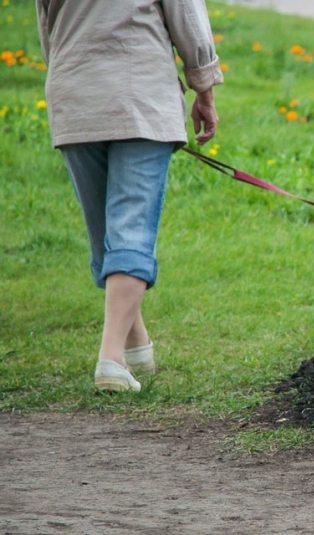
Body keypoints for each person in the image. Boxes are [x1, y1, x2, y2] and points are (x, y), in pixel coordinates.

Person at [36, 0, 223, 392]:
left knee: (107, 234)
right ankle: (110, 359)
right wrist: (203, 85)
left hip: (73, 90)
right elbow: (185, 12)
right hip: (140, 88)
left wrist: (63, 74)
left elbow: (46, 21)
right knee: (130, 232)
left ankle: (136, 348)